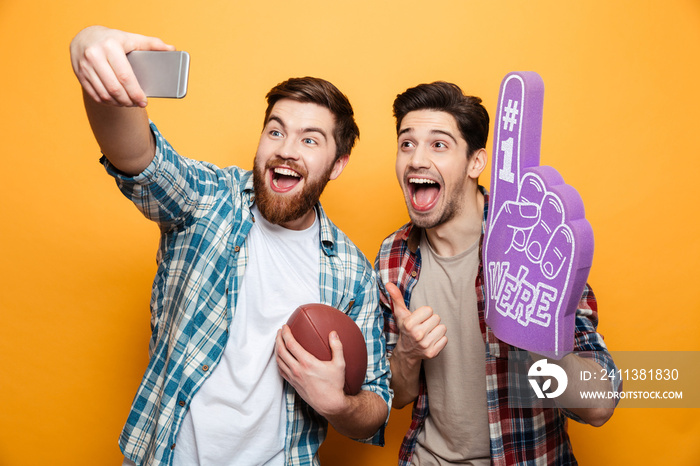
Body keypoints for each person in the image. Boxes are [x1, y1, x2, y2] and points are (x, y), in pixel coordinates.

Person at [70, 26, 391, 466]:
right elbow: (138, 160)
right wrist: (93, 50)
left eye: (310, 140)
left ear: (337, 164)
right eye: (275, 132)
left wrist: (337, 403)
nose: (287, 150)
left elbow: (375, 407)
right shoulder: (209, 201)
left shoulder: (353, 272)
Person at [375, 81, 618, 465]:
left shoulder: (533, 243)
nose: (416, 159)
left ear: (476, 162)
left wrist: (536, 329)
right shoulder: (394, 256)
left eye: (439, 144)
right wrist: (407, 351)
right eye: (407, 143)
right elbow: (400, 395)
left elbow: (600, 404)